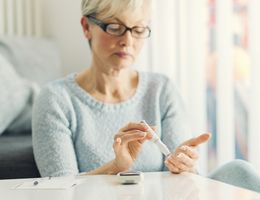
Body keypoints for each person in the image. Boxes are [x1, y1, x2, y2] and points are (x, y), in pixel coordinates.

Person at [32, 0, 260, 193]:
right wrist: (115, 167)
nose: (128, 41)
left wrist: (185, 165)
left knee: (240, 173)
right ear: (86, 27)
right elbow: (59, 190)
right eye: (114, 27)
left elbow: (185, 183)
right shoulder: (56, 99)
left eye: (138, 30)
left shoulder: (161, 90)